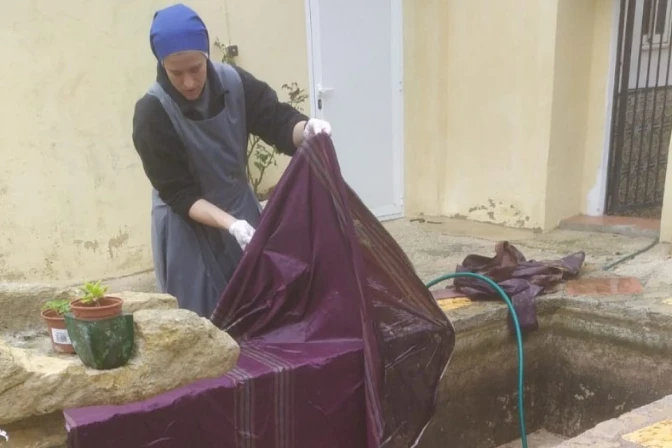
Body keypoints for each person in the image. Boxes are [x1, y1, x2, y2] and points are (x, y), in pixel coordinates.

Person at [132, 3, 332, 317]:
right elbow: (179, 194)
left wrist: (306, 130)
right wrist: (231, 225)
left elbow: (275, 120)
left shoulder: (234, 83)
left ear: (206, 54)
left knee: (257, 305)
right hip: (186, 223)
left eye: (195, 68)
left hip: (237, 207)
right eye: (176, 72)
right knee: (202, 320)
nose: (188, 82)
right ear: (161, 64)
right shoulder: (152, 113)